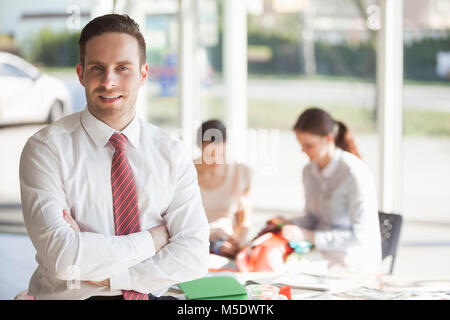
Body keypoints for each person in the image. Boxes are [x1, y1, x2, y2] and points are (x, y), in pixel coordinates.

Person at [19, 14, 209, 300]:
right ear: (81, 73)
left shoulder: (171, 151)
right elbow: (63, 258)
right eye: (97, 68)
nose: (109, 81)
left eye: (122, 68)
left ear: (143, 74)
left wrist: (115, 276)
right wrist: (155, 239)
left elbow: (194, 256)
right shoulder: (45, 150)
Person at [259, 107, 381, 272]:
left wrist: (309, 235)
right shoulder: (309, 171)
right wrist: (289, 223)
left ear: (329, 139)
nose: (303, 151)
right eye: (300, 144)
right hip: (320, 255)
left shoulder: (354, 173)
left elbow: (361, 237)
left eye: (308, 145)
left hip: (352, 260)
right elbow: (313, 218)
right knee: (269, 265)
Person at [194, 120, 252, 259]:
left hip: (225, 240)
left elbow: (244, 218)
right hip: (194, 239)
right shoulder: (186, 171)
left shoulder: (241, 171)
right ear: (200, 147)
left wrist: (237, 240)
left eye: (221, 152)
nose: (216, 159)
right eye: (210, 153)